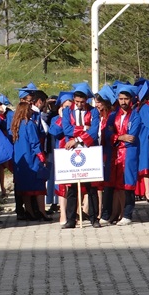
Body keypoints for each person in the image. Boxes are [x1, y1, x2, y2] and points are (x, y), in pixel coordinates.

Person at [61, 84, 102, 228]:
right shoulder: (67, 111)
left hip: (88, 149)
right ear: (73, 99)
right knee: (72, 188)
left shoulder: (94, 111)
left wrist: (77, 139)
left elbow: (94, 131)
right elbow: (66, 129)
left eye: (82, 102)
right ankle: (71, 219)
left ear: (87, 100)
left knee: (91, 187)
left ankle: (94, 218)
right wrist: (85, 128)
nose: (79, 104)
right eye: (77, 101)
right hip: (71, 151)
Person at [103, 86, 143, 225]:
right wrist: (120, 137)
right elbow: (107, 134)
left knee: (128, 184)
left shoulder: (135, 116)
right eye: (121, 99)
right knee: (111, 184)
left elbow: (131, 137)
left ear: (130, 99)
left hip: (128, 153)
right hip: (114, 154)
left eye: (126, 99)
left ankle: (127, 214)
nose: (123, 102)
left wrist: (116, 137)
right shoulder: (113, 116)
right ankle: (110, 214)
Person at [10, 98, 49, 224]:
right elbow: (34, 143)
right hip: (31, 159)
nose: (32, 111)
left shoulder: (15, 125)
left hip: (20, 160)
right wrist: (42, 157)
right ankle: (42, 211)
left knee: (24, 188)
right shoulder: (29, 124)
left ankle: (29, 211)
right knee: (38, 186)